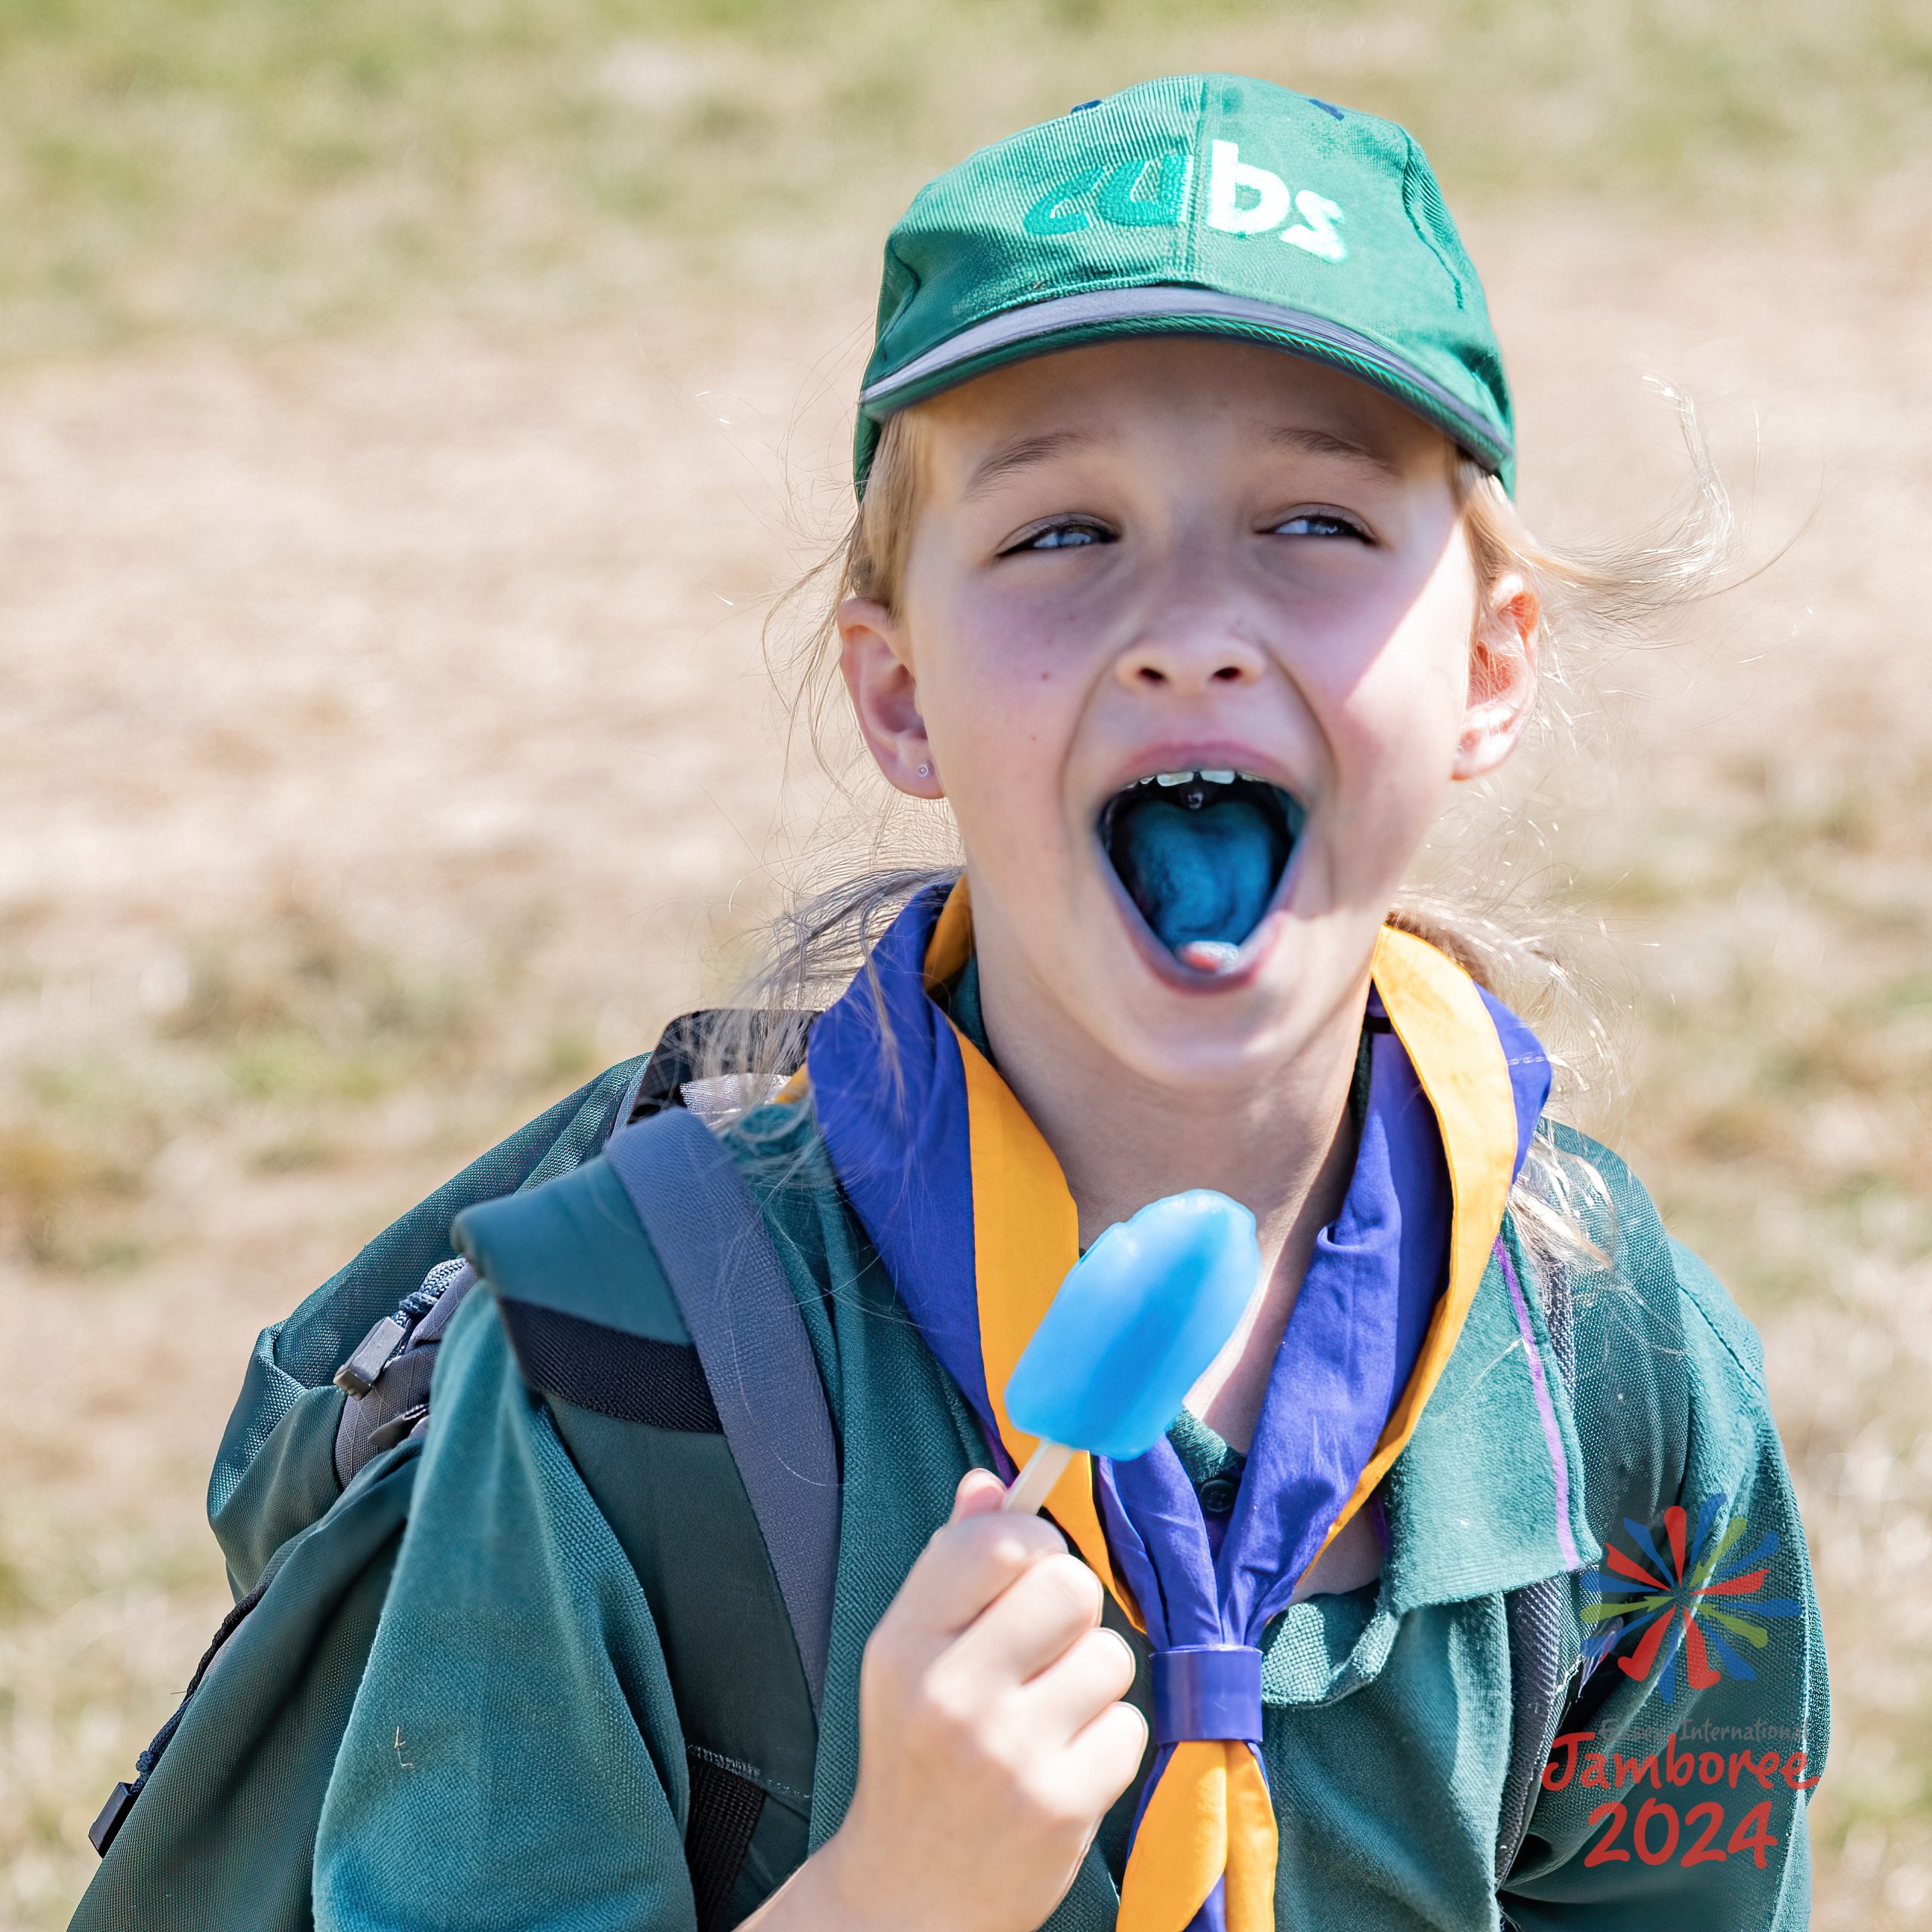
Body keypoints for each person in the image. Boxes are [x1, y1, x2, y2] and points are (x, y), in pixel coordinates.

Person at [226, 75, 1833, 1932]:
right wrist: (884, 1894)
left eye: (1311, 519)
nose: (1189, 621)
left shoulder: (1613, 1367)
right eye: (1062, 532)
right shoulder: (626, 1360)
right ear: (897, 693)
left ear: (1484, 668)